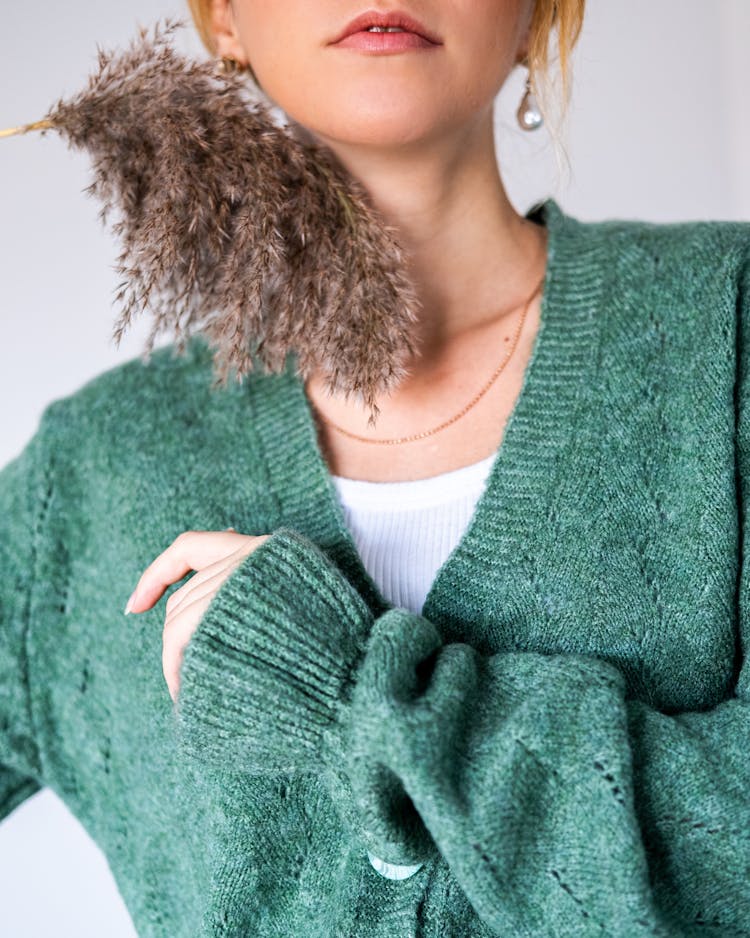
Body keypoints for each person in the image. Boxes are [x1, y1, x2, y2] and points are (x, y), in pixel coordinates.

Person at [1, 1, 749, 936]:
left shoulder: (729, 335)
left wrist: (355, 686)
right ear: (225, 17)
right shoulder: (90, 476)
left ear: (535, 15)